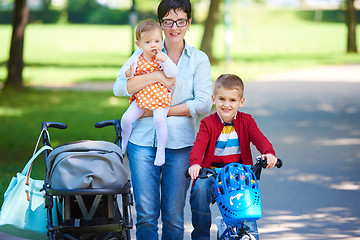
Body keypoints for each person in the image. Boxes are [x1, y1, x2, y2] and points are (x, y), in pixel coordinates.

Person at [113, 0, 213, 238]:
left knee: (173, 217)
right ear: (160, 24)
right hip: (142, 142)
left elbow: (204, 104)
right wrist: (156, 75)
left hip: (180, 145)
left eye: (180, 21)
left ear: (189, 23)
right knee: (146, 216)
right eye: (168, 21)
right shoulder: (144, 51)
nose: (174, 27)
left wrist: (160, 110)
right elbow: (119, 87)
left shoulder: (198, 60)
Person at [187, 74, 278, 240]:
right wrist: (195, 164)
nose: (226, 105)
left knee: (247, 204)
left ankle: (250, 235)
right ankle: (200, 235)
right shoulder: (208, 123)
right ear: (214, 99)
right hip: (212, 173)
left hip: (239, 175)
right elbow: (199, 146)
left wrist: (269, 153)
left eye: (232, 100)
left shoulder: (247, 121)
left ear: (241, 102)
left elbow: (259, 138)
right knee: (199, 189)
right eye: (222, 99)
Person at [120, 20, 178, 166]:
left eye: (157, 41)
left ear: (162, 40)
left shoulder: (162, 57)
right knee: (126, 119)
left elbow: (173, 73)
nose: (153, 45)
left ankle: (161, 151)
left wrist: (165, 61)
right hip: (141, 98)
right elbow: (121, 72)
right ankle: (123, 144)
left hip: (160, 98)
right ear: (139, 44)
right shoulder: (136, 57)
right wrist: (128, 72)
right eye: (148, 42)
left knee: (159, 120)